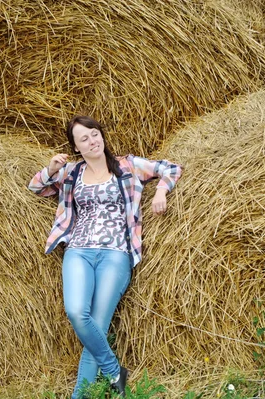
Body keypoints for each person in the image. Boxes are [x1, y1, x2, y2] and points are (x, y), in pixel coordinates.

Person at [28, 115, 182, 398]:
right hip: (78, 250)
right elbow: (36, 187)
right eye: (83, 138)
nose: (92, 141)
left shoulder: (127, 165)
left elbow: (170, 168)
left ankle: (80, 395)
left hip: (116, 254)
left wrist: (161, 189)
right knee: (76, 312)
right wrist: (50, 168)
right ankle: (114, 371)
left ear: (101, 135)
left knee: (97, 325)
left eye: (94, 134)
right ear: (76, 147)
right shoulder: (72, 172)